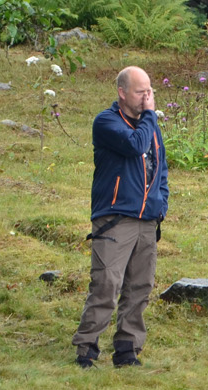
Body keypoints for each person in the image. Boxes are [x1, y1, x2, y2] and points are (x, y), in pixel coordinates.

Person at [71, 65, 166, 368]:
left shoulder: (150, 127)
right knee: (106, 285)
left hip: (147, 221)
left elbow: (160, 168)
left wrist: (160, 204)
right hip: (115, 218)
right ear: (122, 93)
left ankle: (127, 350)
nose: (147, 98)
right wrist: (150, 116)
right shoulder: (106, 122)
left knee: (140, 287)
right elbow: (133, 146)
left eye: (150, 91)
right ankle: (86, 348)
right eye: (141, 92)